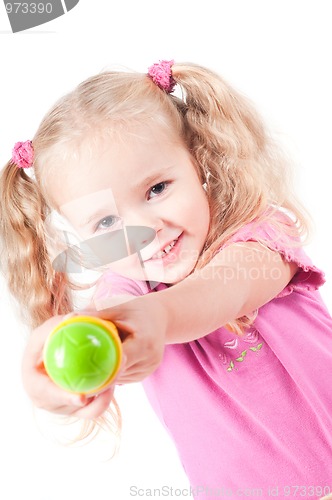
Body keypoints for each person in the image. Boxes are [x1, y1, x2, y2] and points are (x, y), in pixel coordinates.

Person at [1, 60, 332, 499]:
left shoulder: (260, 235)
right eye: (106, 223)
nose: (145, 229)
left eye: (157, 189)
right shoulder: (124, 295)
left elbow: (223, 291)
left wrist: (156, 316)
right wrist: (50, 367)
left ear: (200, 164)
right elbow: (103, 327)